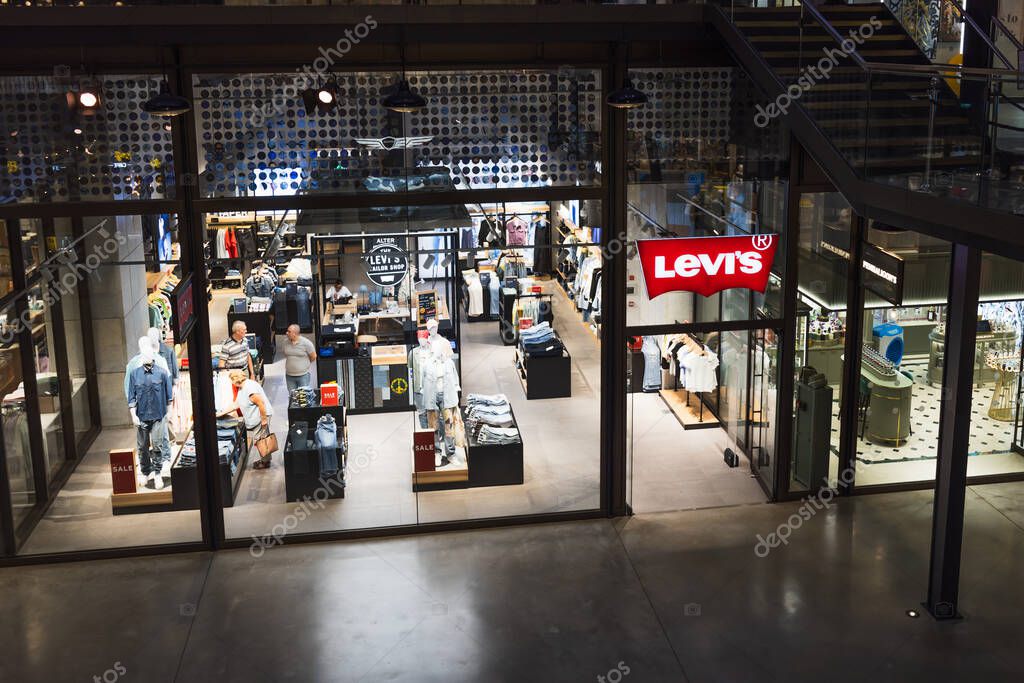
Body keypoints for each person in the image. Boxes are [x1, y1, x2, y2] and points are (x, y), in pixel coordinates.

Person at [229, 369, 274, 470]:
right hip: (257, 416)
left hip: (260, 417)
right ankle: (265, 459)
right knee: (262, 438)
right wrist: (221, 413)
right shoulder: (243, 386)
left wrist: (263, 420)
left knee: (261, 440)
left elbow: (261, 404)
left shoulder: (249, 389)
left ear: (235, 379)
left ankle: (265, 462)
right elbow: (236, 404)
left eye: (231, 380)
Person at [284, 324, 317, 392]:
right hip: (289, 376)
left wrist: (304, 365)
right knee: (292, 397)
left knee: (303, 398)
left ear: (295, 334)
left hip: (303, 376)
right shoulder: (285, 342)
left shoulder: (306, 343)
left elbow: (313, 356)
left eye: (289, 331)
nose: (286, 333)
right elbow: (286, 354)